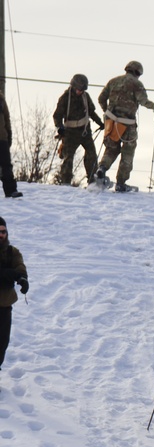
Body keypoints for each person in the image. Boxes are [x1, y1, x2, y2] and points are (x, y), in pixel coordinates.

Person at [95, 60, 154, 192]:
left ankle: (102, 168)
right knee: (127, 154)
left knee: (111, 149)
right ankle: (121, 183)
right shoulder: (137, 84)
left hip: (112, 123)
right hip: (128, 125)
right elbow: (144, 101)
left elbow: (101, 98)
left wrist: (107, 112)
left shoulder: (113, 81)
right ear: (138, 72)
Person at [52, 74, 104, 185]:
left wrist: (100, 122)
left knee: (92, 155)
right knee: (68, 158)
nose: (81, 91)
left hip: (85, 131)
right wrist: (59, 127)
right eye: (79, 89)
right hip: (70, 133)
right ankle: (65, 182)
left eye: (83, 90)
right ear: (73, 86)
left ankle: (93, 181)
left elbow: (91, 112)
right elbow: (57, 115)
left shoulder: (86, 97)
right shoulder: (65, 98)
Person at [0, 218, 28, 371]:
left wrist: (22, 279)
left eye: (3, 232)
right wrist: (9, 274)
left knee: (2, 344)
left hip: (4, 306)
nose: (1, 235)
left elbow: (20, 268)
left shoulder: (12, 252)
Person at [0, 92, 22, 198]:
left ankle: (11, 190)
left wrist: (9, 135)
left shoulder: (1, 100)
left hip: (2, 138)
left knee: (6, 165)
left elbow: (7, 119)